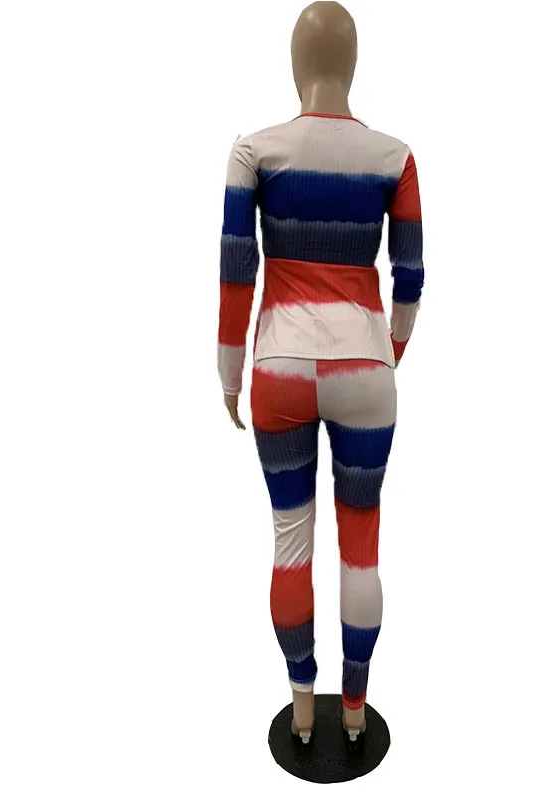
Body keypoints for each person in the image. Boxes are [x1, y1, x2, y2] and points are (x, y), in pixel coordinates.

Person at [216, 1, 424, 743]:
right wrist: (387, 352)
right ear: (353, 64)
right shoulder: (394, 158)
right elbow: (411, 278)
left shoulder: (255, 152)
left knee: (290, 542)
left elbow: (236, 274)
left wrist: (230, 373)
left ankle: (303, 708)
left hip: (280, 368)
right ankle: (356, 710)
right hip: (365, 366)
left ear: (296, 65)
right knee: (362, 544)